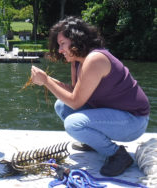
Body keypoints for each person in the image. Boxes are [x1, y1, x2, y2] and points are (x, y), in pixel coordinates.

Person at [30, 16, 150, 177]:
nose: (60, 50)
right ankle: (95, 143)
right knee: (61, 106)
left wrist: (45, 81)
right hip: (115, 115)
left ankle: (118, 155)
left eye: (62, 44)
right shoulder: (78, 61)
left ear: (76, 39)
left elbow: (76, 102)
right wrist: (47, 79)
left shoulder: (95, 59)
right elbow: (74, 93)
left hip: (134, 121)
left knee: (73, 124)